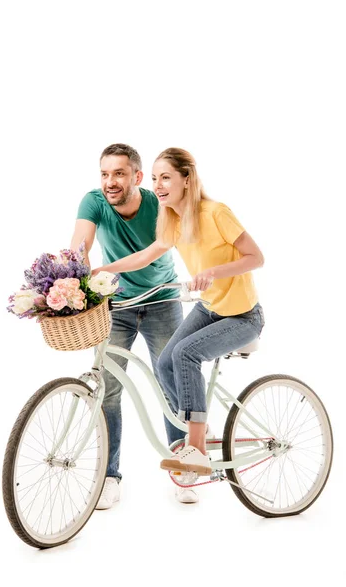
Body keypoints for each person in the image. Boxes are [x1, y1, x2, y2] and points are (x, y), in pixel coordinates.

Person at [92, 147, 265, 476]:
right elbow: (148, 254)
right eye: (155, 178)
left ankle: (196, 448)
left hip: (243, 316)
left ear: (187, 179)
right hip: (210, 308)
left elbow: (256, 257)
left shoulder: (216, 212)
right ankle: (197, 423)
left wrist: (214, 272)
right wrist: (103, 270)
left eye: (166, 177)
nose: (158, 185)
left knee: (185, 354)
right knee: (165, 363)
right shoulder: (172, 217)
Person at [71, 144, 201, 508]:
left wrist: (105, 269)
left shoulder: (159, 203)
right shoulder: (94, 202)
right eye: (105, 174)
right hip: (118, 306)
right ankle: (109, 476)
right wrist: (72, 279)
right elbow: (79, 246)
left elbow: (156, 251)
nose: (110, 182)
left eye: (119, 174)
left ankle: (183, 467)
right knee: (108, 389)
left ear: (137, 177)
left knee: (171, 384)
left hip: (162, 301)